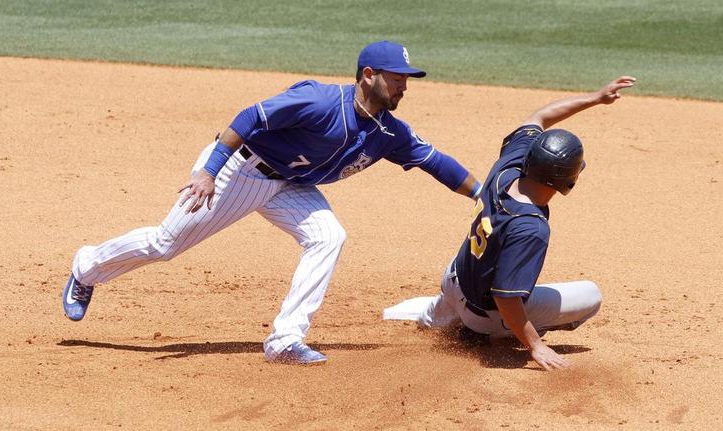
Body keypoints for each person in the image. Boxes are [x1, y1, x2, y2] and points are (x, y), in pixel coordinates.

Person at [62, 41, 483, 365]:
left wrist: (484, 195)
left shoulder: (389, 132)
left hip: (290, 184)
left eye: (407, 79)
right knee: (165, 244)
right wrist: (208, 172)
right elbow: (249, 118)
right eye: (397, 78)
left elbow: (437, 163)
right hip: (240, 171)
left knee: (328, 237)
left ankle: (285, 341)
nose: (404, 86)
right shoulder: (320, 101)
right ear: (368, 75)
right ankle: (87, 266)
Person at [382, 76, 637, 370]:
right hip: (483, 314)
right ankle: (480, 334)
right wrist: (536, 347)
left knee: (464, 291)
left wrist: (595, 97)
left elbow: (540, 117)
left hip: (453, 280)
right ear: (564, 181)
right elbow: (506, 297)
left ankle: (436, 315)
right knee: (591, 296)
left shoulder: (511, 163)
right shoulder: (531, 227)